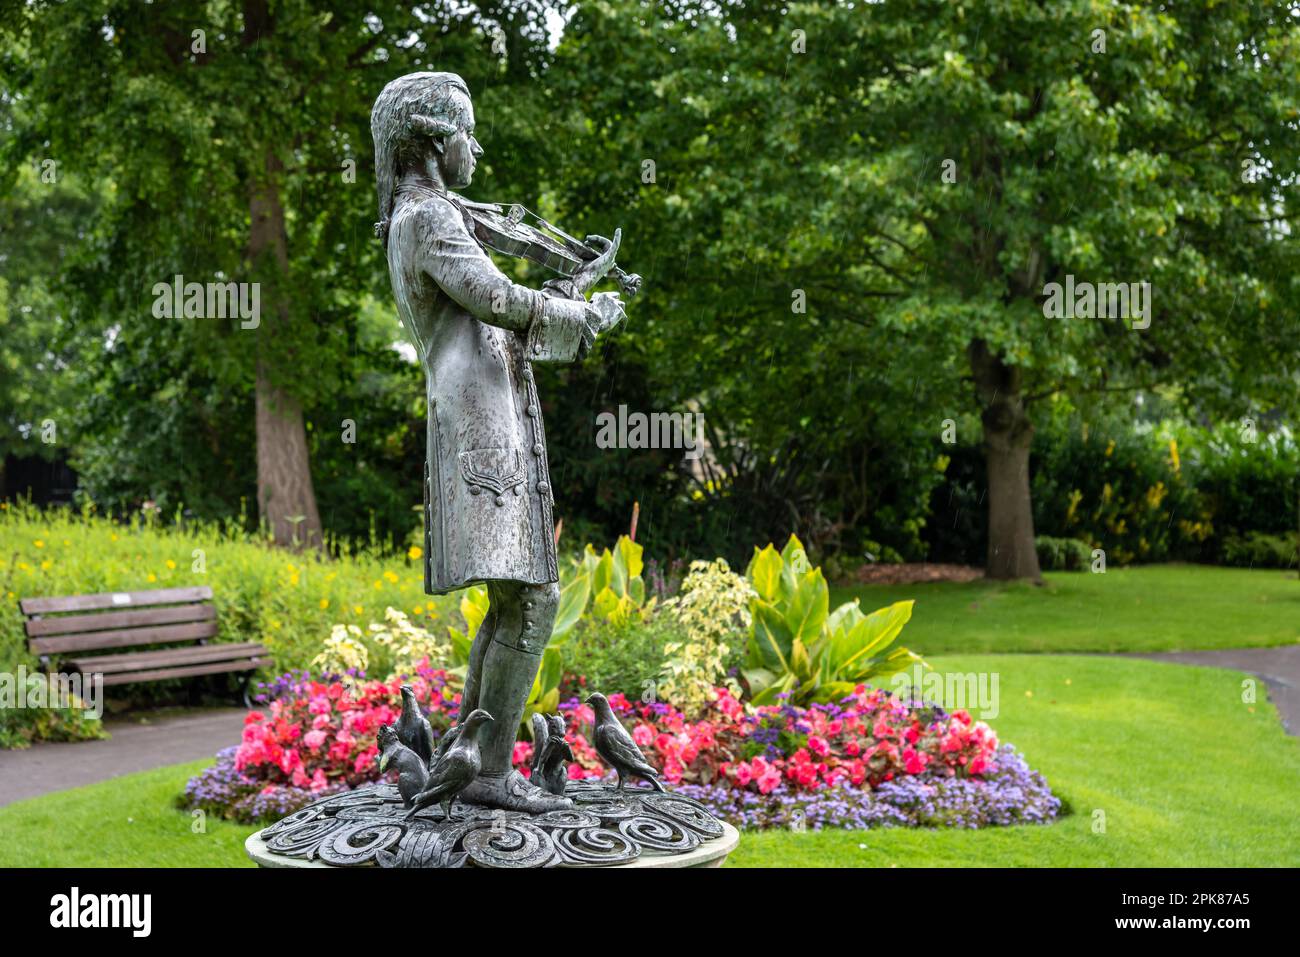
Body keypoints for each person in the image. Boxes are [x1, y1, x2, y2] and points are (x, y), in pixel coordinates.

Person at [371, 72, 625, 811]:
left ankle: (473, 755)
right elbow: (500, 300)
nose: (475, 150)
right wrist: (586, 316)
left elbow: (496, 316)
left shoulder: (427, 213)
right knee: (534, 597)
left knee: (514, 597)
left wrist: (571, 300)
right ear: (432, 141)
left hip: (485, 412)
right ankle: (486, 772)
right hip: (480, 424)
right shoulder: (429, 217)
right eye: (466, 135)